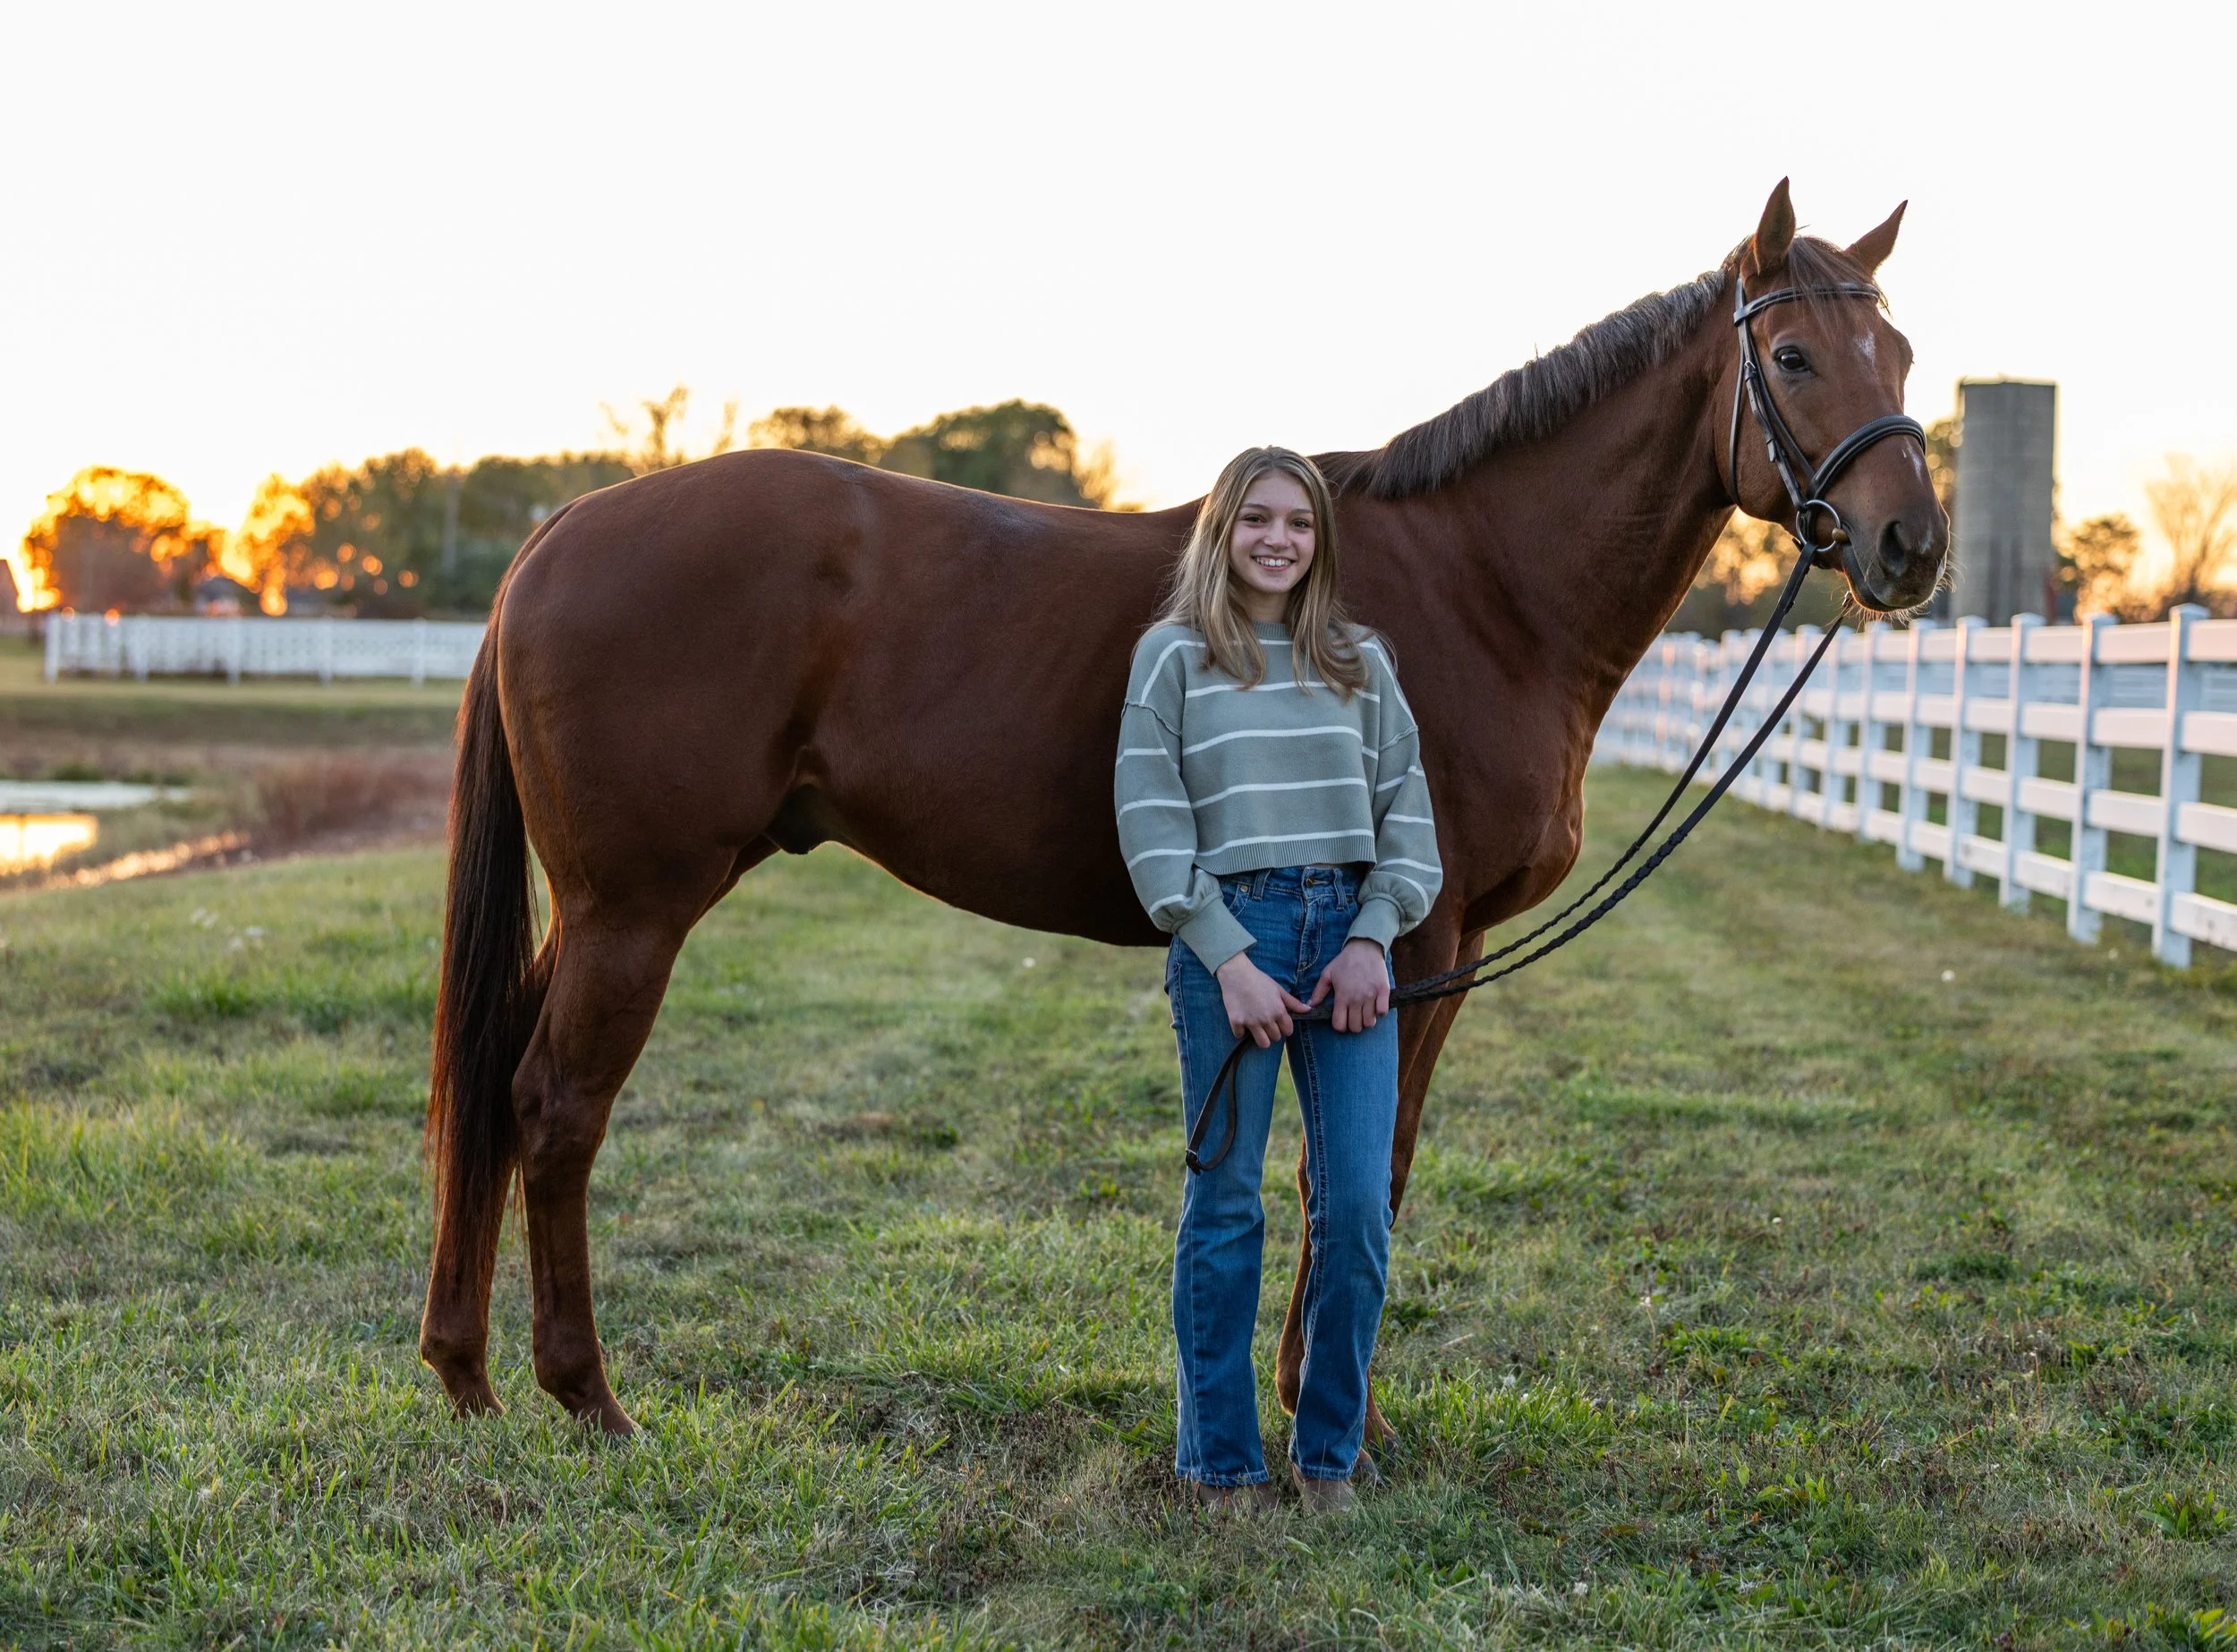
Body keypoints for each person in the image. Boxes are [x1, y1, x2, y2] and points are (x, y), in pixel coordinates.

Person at [1114, 446, 1442, 1512]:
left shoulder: (1360, 663)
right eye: (1255, 519)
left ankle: (1327, 1452)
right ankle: (1219, 1461)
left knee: (1355, 1207)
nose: (1277, 540)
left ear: (1319, 542)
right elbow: (1151, 822)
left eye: (1298, 524)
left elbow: (1409, 824)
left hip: (1346, 940)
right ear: (1220, 531)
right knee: (1226, 1206)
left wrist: (1371, 937)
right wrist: (1226, 955)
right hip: (1233, 940)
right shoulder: (1171, 660)